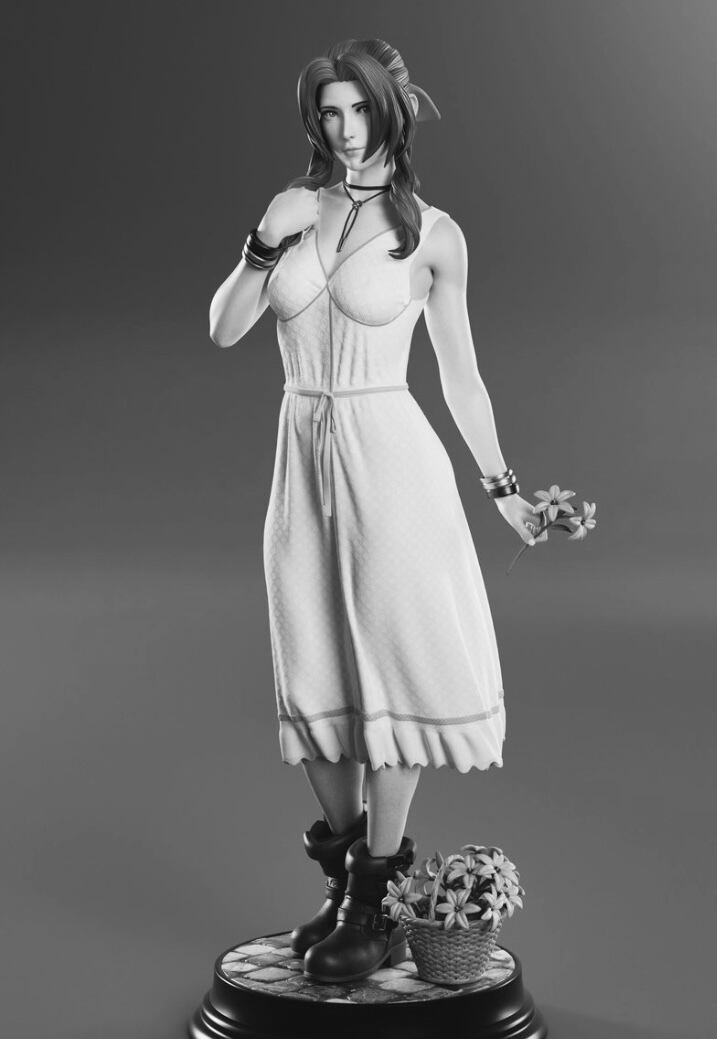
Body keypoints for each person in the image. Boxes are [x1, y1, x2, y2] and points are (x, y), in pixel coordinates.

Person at [209, 38, 541, 986]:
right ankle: (353, 880)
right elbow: (225, 327)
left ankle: (371, 897)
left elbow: (461, 377)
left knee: (391, 670)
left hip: (391, 461)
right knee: (313, 667)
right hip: (301, 461)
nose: (344, 129)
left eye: (359, 109)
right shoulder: (293, 210)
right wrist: (261, 242)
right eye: (328, 112)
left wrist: (504, 489)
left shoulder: (434, 235)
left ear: (390, 110)